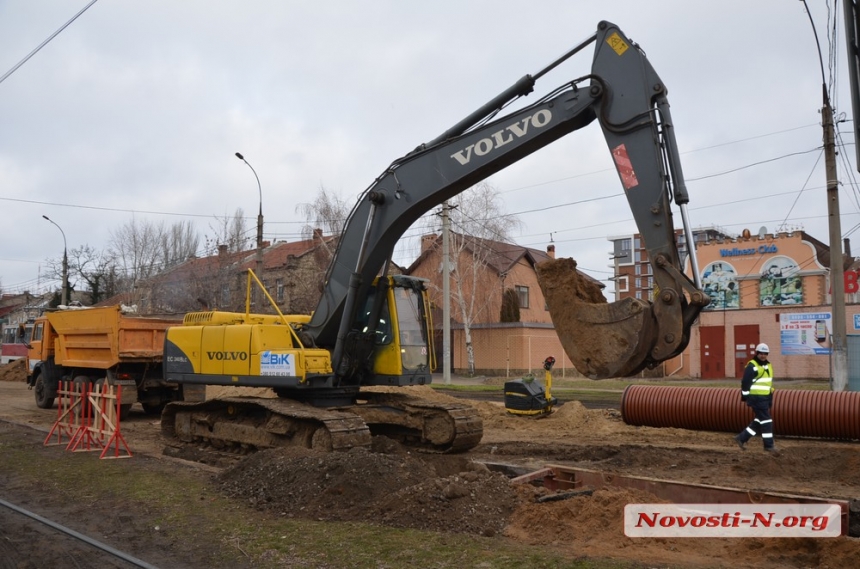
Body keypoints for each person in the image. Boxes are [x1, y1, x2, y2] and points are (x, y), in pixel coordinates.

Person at [735, 343, 777, 452]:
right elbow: (745, 382)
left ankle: (741, 438)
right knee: (767, 421)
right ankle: (769, 446)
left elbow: (768, 383)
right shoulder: (752, 366)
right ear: (757, 353)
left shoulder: (768, 365)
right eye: (761, 353)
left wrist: (770, 398)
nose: (763, 355)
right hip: (756, 398)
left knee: (759, 420)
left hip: (765, 398)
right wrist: (745, 396)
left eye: (765, 353)